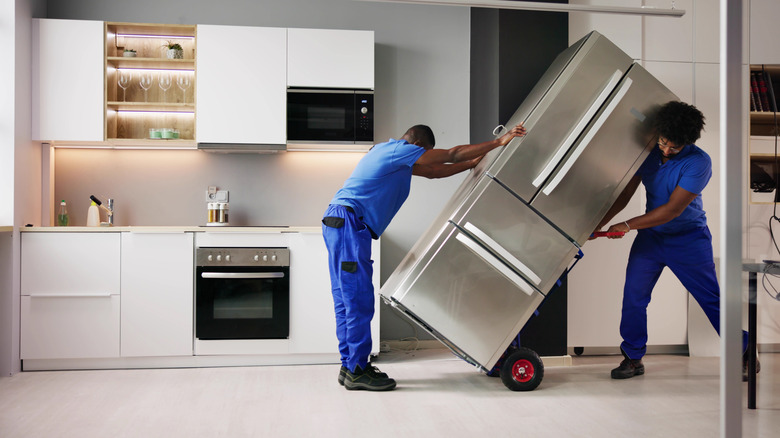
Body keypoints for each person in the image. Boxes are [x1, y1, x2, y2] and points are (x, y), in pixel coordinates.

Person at [322, 123, 527, 391]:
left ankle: (350, 366)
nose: (423, 157)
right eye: (426, 152)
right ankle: (357, 369)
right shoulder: (400, 151)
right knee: (358, 298)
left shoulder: (387, 153)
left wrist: (472, 163)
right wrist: (499, 142)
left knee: (346, 297)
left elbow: (434, 172)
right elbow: (451, 154)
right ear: (419, 145)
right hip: (349, 224)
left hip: (339, 222)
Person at [593, 101, 753, 380]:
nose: (666, 150)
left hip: (689, 240)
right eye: (663, 143)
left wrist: (627, 225)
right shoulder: (648, 153)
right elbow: (624, 194)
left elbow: (672, 210)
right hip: (651, 239)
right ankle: (632, 357)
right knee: (634, 297)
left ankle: (744, 349)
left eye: (674, 147)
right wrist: (600, 222)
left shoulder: (699, 162)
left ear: (687, 143)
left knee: (710, 299)